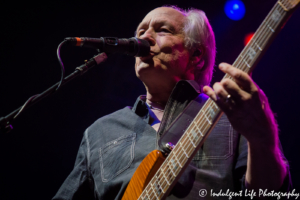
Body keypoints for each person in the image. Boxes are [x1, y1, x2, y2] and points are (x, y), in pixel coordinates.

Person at [53, 6, 291, 200]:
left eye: (162, 30)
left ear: (196, 55)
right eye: (141, 30)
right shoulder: (99, 132)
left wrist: (264, 140)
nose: (144, 37)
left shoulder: (231, 117)